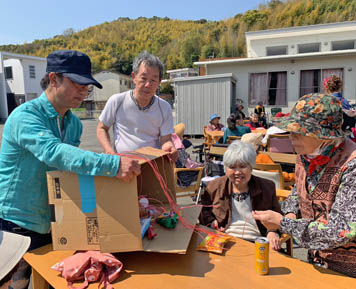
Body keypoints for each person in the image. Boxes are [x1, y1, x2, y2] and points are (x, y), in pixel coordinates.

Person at [0, 50, 141, 289]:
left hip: (54, 220)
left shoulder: (73, 123)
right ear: (54, 79)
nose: (84, 91)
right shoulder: (25, 116)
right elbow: (54, 153)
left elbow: (70, 171)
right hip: (18, 221)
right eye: (78, 84)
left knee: (47, 281)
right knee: (14, 284)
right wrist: (113, 164)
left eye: (87, 86)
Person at [252, 92, 356, 277]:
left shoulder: (351, 165)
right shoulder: (305, 155)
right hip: (317, 263)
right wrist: (291, 211)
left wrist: (282, 223)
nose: (291, 136)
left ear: (324, 136)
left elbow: (341, 230)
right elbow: (298, 191)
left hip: (348, 272)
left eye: (299, 131)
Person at [200, 141, 282, 251]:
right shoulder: (214, 187)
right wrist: (212, 222)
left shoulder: (267, 187)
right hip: (225, 241)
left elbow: (278, 216)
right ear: (226, 169)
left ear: (251, 167)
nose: (237, 172)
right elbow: (203, 210)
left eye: (243, 166)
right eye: (232, 167)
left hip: (257, 241)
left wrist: (272, 232)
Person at [96, 51, 177, 161]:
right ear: (134, 77)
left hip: (152, 163)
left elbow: (165, 139)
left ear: (159, 82)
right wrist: (109, 151)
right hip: (124, 163)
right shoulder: (117, 101)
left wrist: (169, 146)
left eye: (153, 80)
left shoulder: (164, 107)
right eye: (143, 78)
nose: (148, 84)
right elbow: (102, 128)